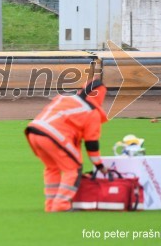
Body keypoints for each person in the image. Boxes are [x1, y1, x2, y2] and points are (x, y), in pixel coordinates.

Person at [24, 79, 109, 212]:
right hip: (53, 136)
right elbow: (91, 143)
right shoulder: (92, 112)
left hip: (33, 131)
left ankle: (50, 205)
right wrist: (99, 165)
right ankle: (61, 205)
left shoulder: (64, 98)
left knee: (52, 168)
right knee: (73, 169)